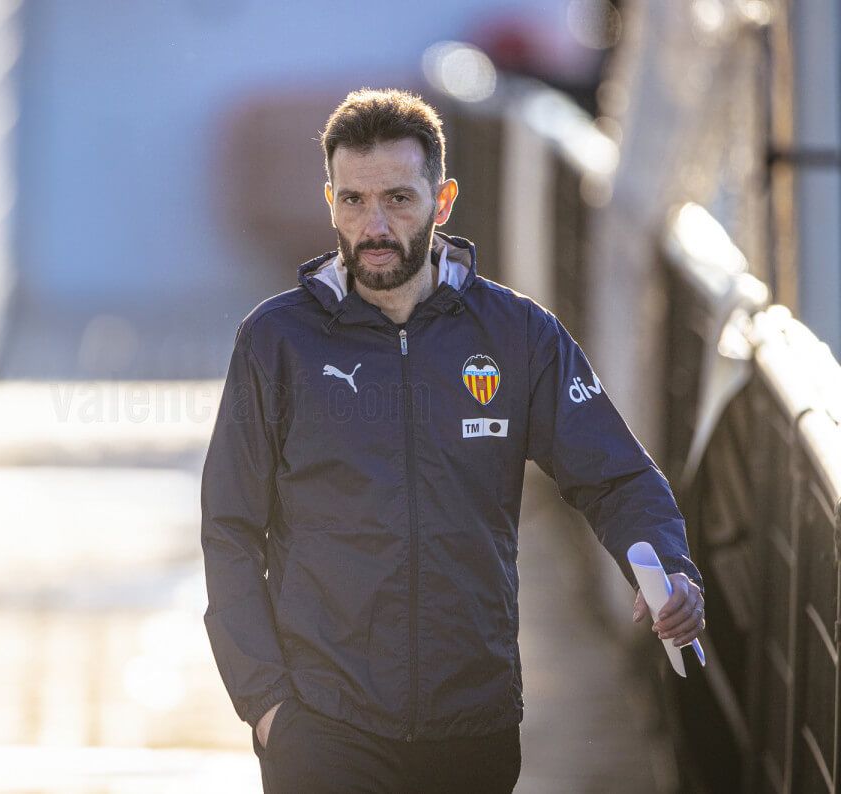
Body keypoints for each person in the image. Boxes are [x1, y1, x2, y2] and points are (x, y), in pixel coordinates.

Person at [199, 88, 705, 793]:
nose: (375, 225)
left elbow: (614, 475)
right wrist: (269, 708)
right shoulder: (275, 342)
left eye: (398, 200)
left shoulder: (518, 335)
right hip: (324, 730)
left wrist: (668, 564)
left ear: (442, 201)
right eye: (353, 201)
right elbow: (229, 530)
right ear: (331, 202)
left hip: (474, 725)